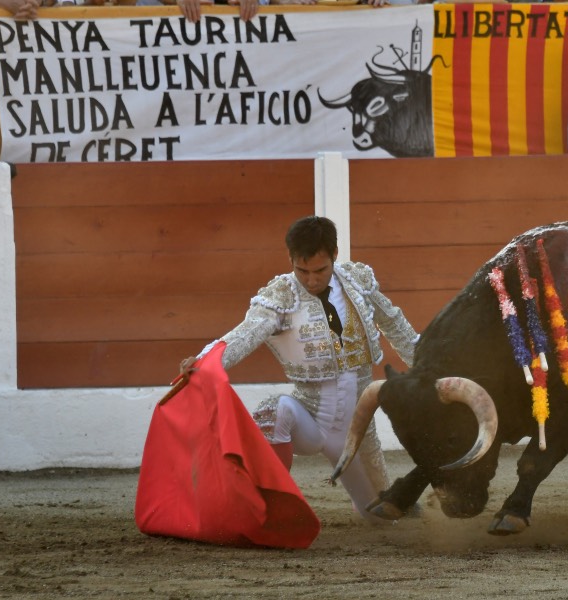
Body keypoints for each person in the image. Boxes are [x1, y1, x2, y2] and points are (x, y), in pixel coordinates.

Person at [178, 216, 419, 524]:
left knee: (381, 519)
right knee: (274, 412)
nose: (311, 280)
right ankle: (268, 513)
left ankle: (375, 500)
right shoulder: (281, 295)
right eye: (302, 271)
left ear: (334, 254)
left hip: (357, 433)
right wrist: (205, 360)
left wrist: (426, 363)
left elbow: (394, 323)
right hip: (309, 417)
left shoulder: (357, 281)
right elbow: (246, 334)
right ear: (290, 259)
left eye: (320, 270)